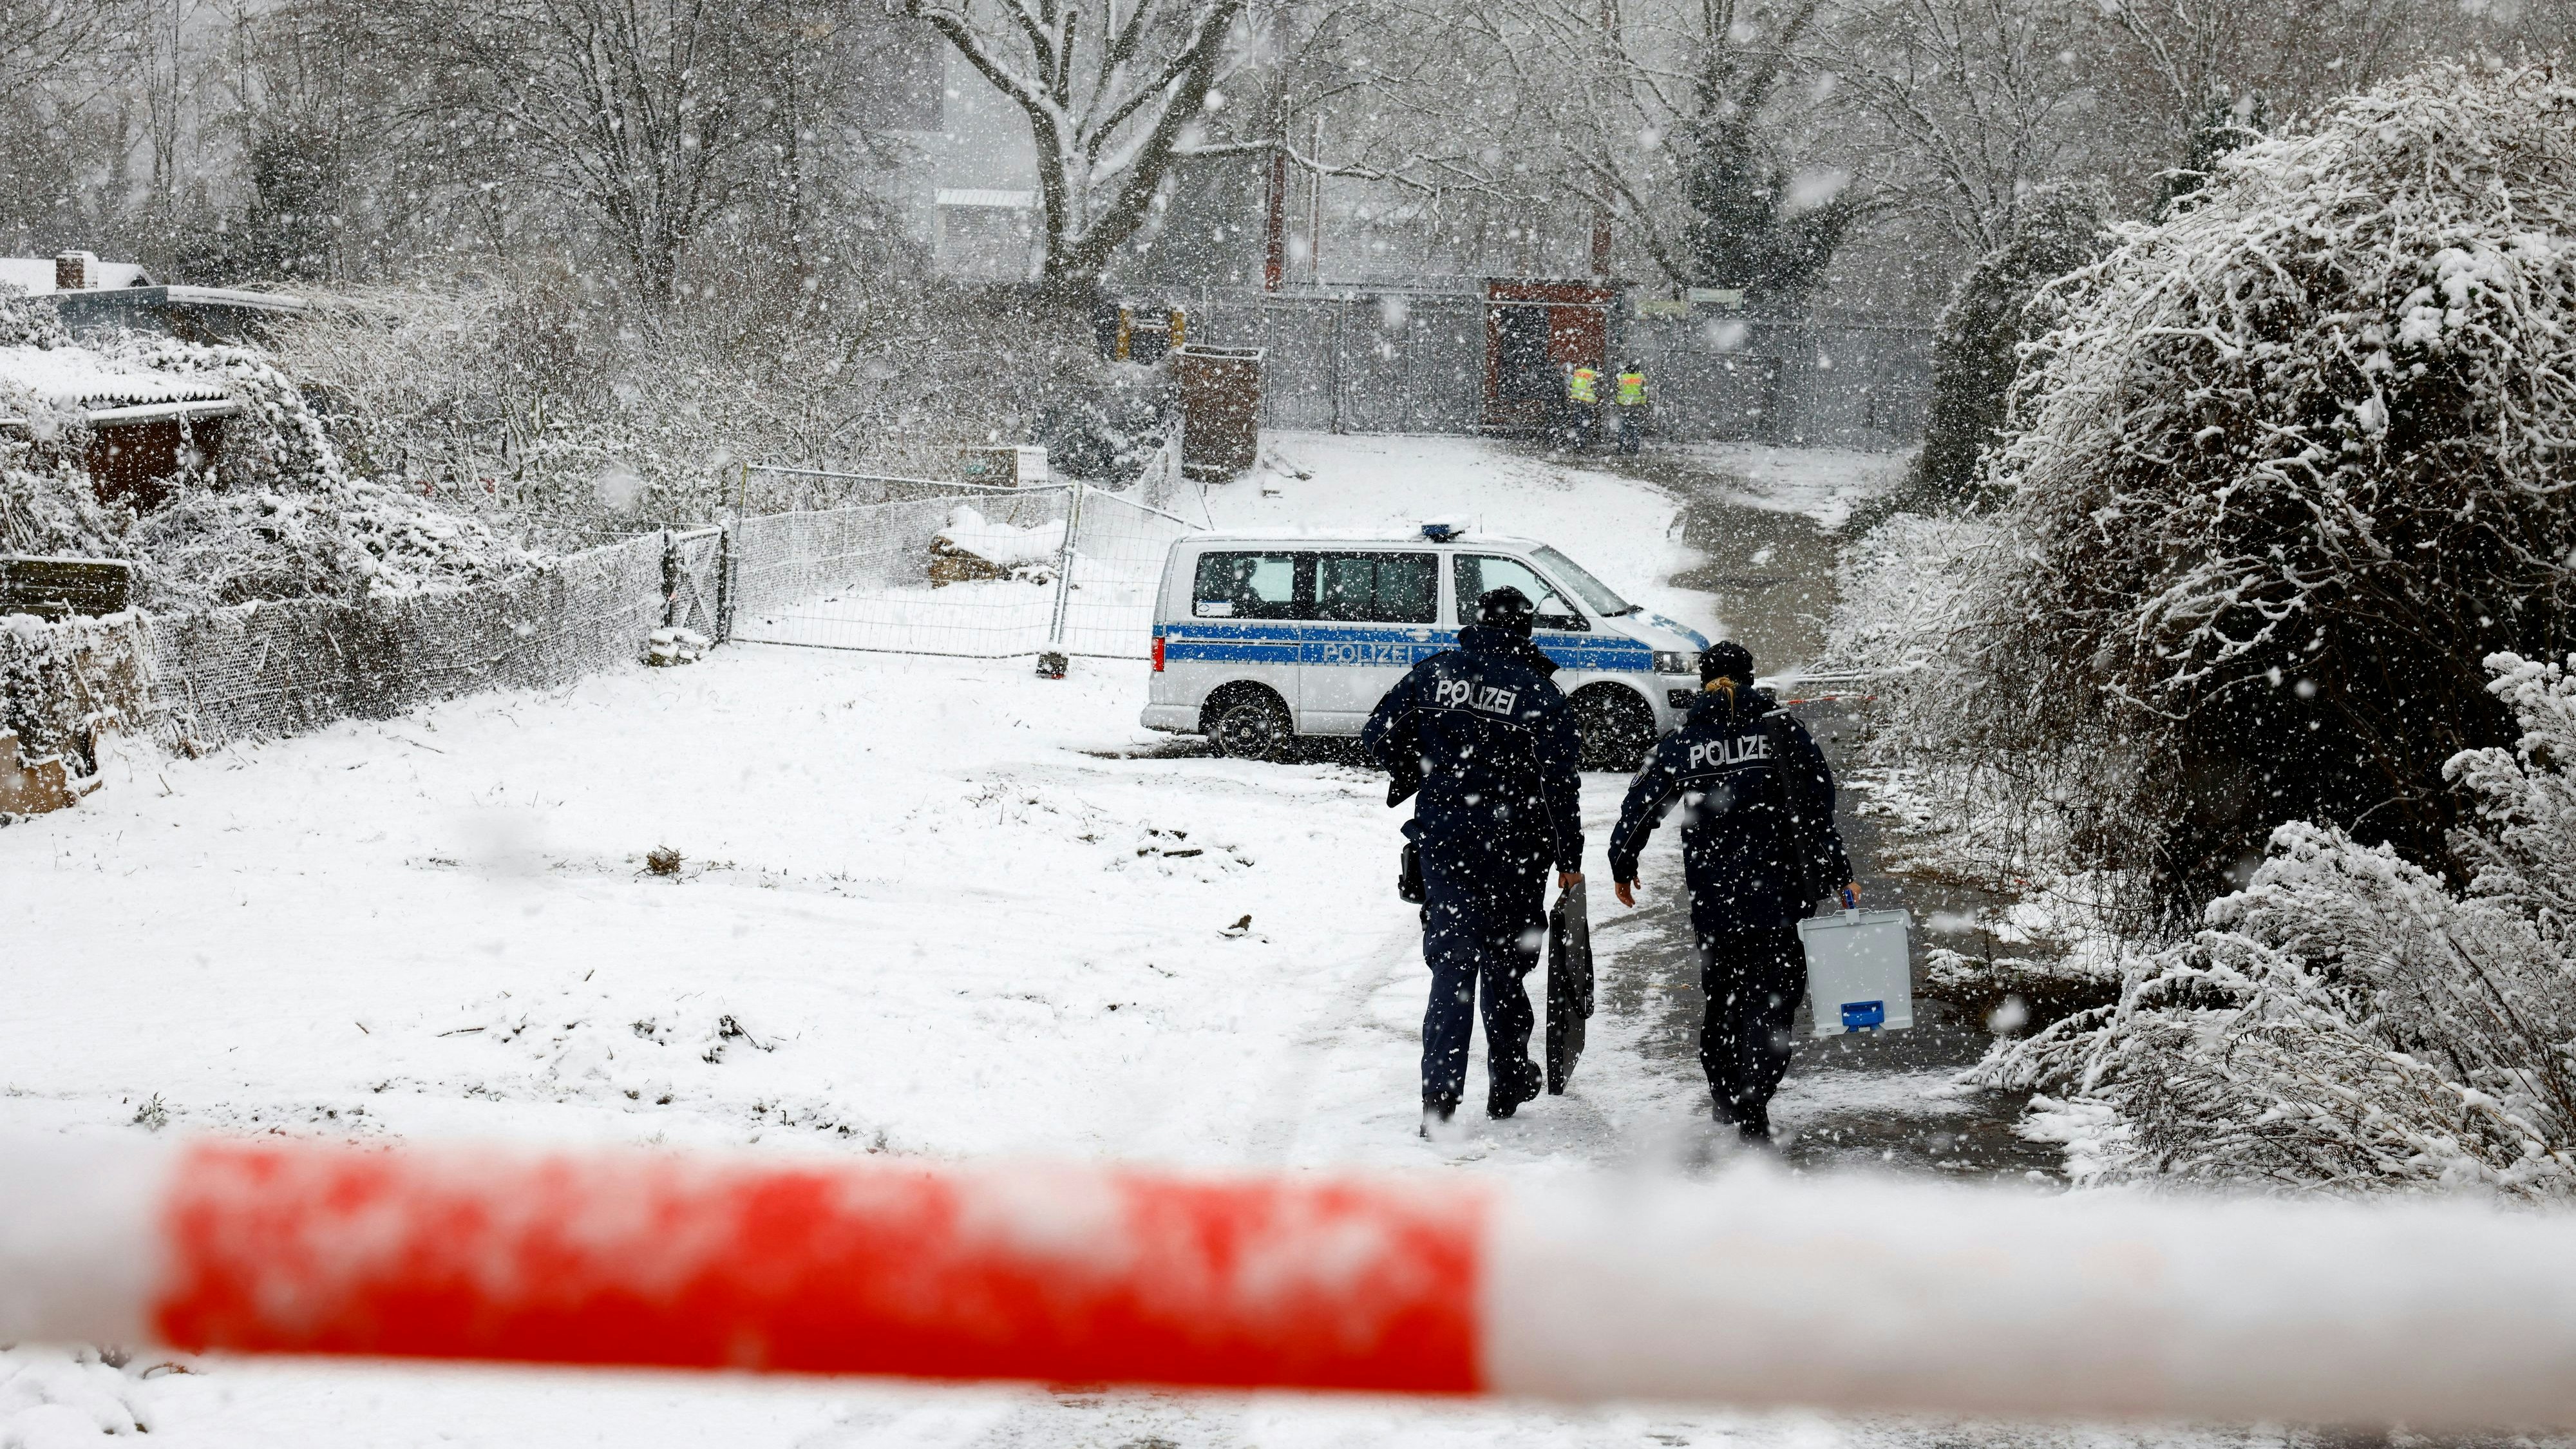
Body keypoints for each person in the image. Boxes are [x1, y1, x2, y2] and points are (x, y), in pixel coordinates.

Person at [1604, 641, 1857, 1144]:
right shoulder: (1783, 731)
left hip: (1715, 898)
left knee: (1724, 995)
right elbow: (1817, 806)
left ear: (1704, 683)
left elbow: (1641, 803)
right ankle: (1754, 1096)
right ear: (1751, 678)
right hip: (1778, 895)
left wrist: (1623, 863)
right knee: (1773, 999)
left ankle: (1725, 1093)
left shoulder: (1685, 740)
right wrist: (1839, 871)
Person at [1363, 587, 1586, 1133]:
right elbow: (1560, 784)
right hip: (1517, 849)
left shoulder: (1434, 673)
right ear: (1525, 630)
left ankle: (1438, 1100)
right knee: (1506, 964)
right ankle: (1507, 1083)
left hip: (1446, 844)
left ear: (1478, 623)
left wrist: (1425, 772)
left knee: (1453, 965)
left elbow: (1377, 735)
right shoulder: (1539, 692)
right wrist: (1568, 857)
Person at [1564, 361, 1603, 449]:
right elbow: (1597, 390)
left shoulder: (1578, 372)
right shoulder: (1594, 375)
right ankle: (1581, 444)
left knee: (1577, 422)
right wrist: (1597, 400)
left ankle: (1575, 442)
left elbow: (1570, 385)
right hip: (1587, 402)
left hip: (1576, 401)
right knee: (1585, 423)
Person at [1612, 360, 1648, 455]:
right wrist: (1643, 403)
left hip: (1623, 406)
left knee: (1623, 427)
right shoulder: (1641, 378)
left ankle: (1621, 447)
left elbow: (1617, 390)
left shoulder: (1622, 377)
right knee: (1634, 427)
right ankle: (1634, 448)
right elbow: (1645, 392)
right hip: (1635, 405)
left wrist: (1617, 402)